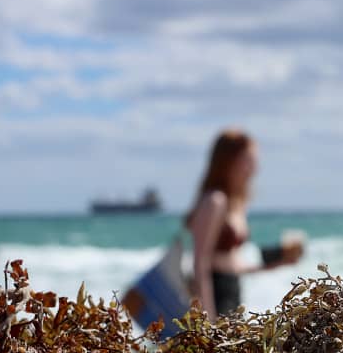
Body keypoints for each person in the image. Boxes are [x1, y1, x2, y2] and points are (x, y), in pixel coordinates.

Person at [124, 129, 303, 333]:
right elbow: (201, 263)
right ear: (229, 161)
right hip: (214, 294)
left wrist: (278, 262)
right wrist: (208, 319)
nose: (255, 168)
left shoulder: (236, 202)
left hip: (231, 290)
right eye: (249, 160)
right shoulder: (214, 201)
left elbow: (232, 263)